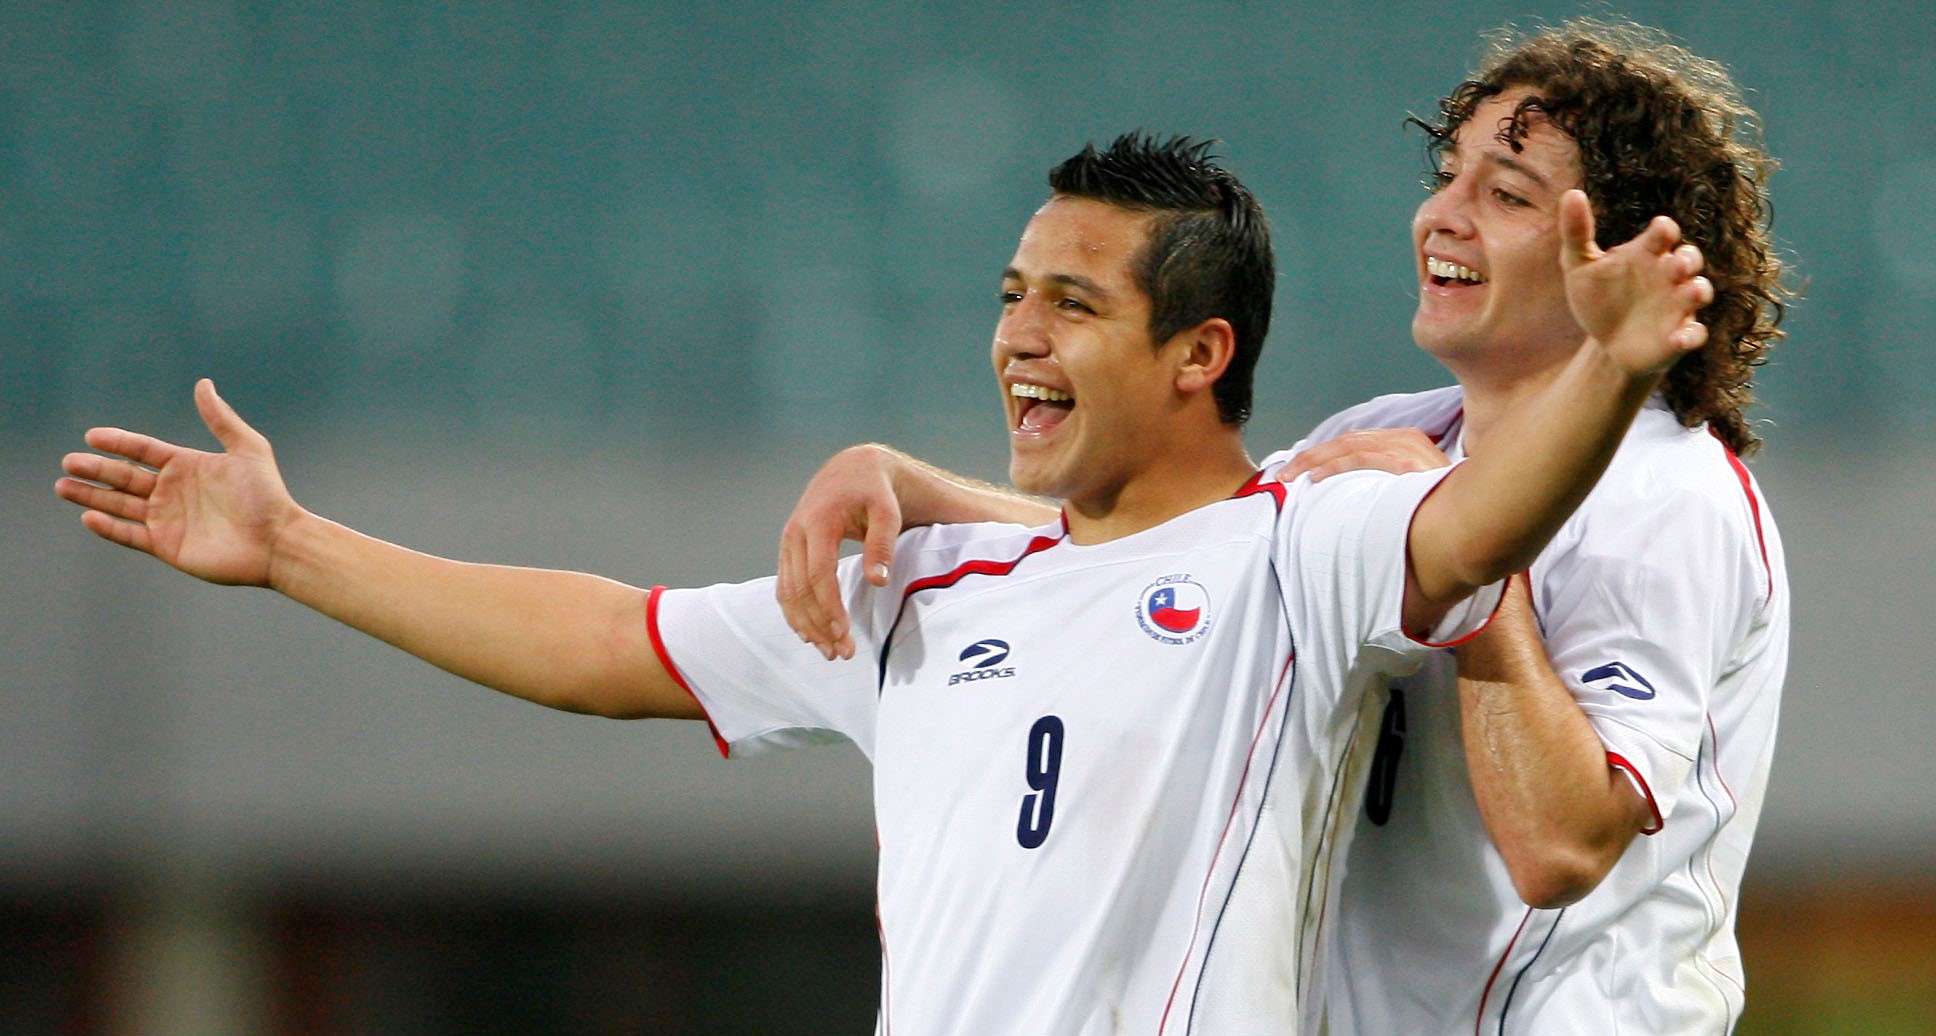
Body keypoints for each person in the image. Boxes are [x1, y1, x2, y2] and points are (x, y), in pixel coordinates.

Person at [57, 133, 1712, 1034]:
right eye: (1012, 292)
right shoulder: (928, 581)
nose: (1017, 335)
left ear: (1202, 353)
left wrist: (1606, 367)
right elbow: (613, 644)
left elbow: (1465, 535)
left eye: (1072, 301)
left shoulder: (1292, 553)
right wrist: (294, 549)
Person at [773, 19, 1789, 1035]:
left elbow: (1559, 848)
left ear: (1612, 259)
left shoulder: (1669, 497)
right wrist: (920, 487)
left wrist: (1473, 565)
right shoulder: (1385, 433)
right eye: (1446, 175)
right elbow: (1196, 563)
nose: (1443, 215)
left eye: (1506, 194)